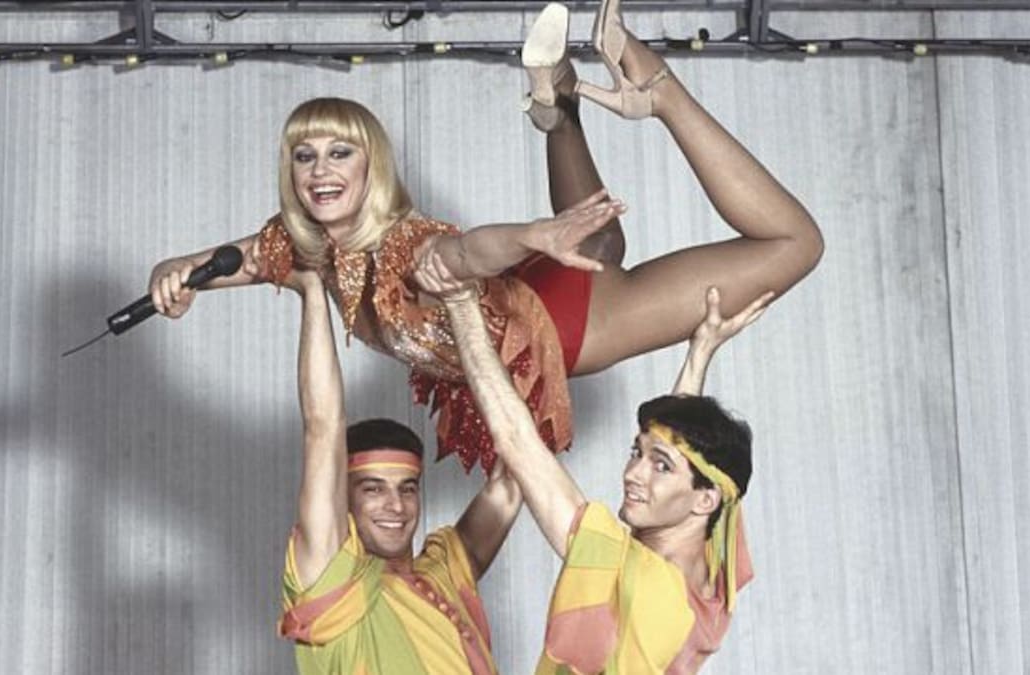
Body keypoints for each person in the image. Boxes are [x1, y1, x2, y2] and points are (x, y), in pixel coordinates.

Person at [147, 2, 821, 472]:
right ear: (290, 172)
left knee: (794, 245)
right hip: (524, 293)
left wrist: (533, 234)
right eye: (306, 156)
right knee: (602, 249)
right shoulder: (313, 245)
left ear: (371, 167)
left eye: (339, 154)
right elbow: (242, 259)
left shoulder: (399, 242)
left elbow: (461, 253)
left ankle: (660, 92)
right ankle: (557, 105)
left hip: (550, 326)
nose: (321, 171)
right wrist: (178, 269)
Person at [432, 262, 769, 672]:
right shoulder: (712, 574)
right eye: (636, 452)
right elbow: (688, 469)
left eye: (659, 467)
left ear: (705, 501)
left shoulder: (637, 577)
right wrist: (699, 355)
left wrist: (460, 302)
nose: (633, 474)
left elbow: (517, 441)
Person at [275, 267, 519, 674]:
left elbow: (511, 479)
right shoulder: (332, 584)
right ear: (342, 499)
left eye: (407, 488)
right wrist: (312, 290)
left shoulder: (444, 572)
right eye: (373, 489)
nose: (396, 505)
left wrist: (514, 334)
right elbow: (322, 426)